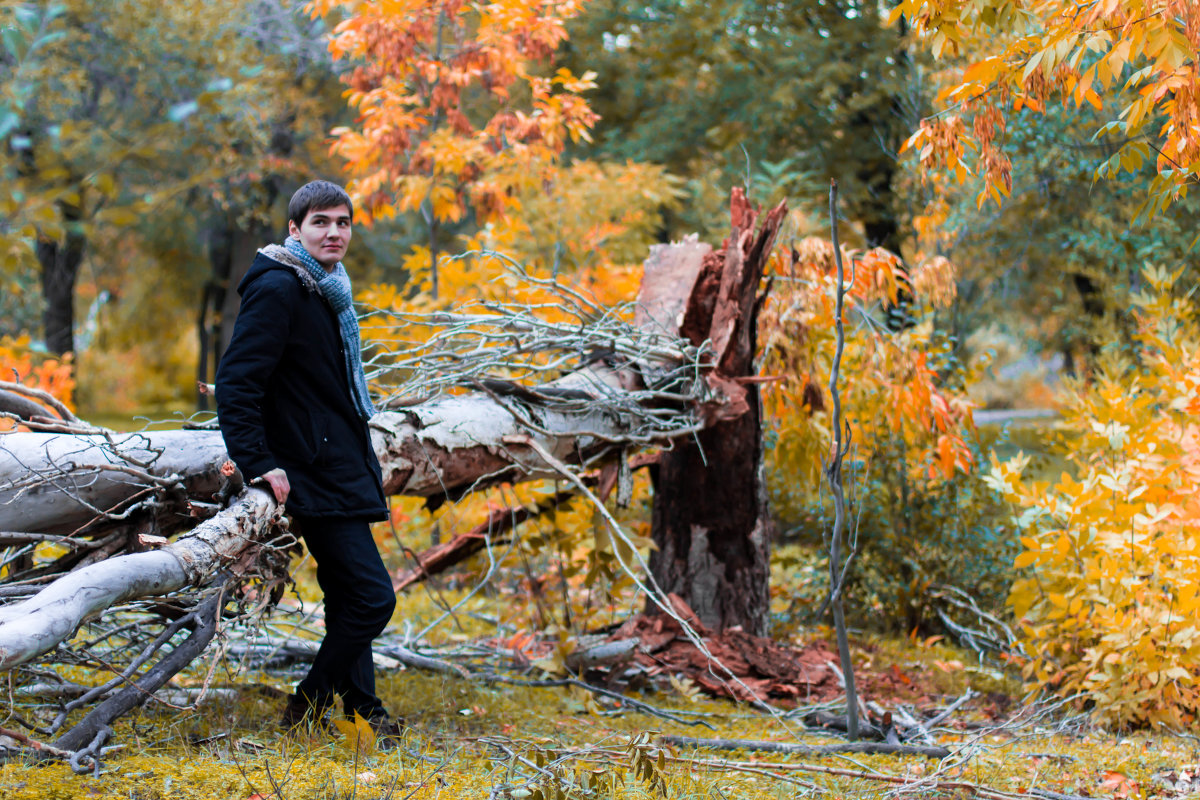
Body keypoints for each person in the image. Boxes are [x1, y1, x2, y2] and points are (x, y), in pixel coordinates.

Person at [215, 180, 399, 739]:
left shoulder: (327, 289)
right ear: (295, 230)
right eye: (321, 222)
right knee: (372, 597)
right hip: (309, 470)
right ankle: (309, 702)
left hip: (337, 460)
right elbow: (237, 383)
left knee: (349, 594)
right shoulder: (280, 288)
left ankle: (363, 711)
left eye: (343, 222)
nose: (334, 233)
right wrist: (257, 463)